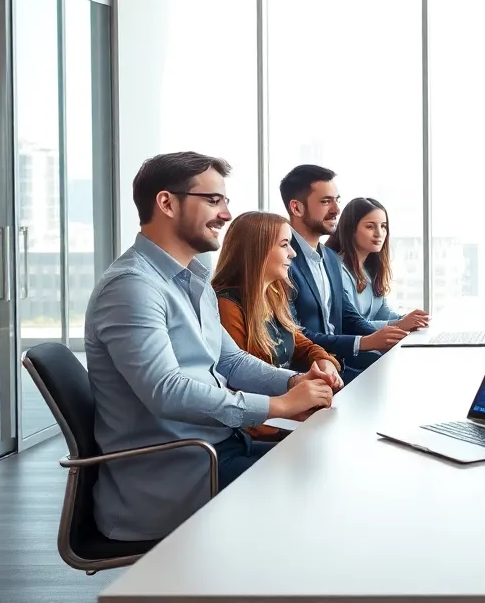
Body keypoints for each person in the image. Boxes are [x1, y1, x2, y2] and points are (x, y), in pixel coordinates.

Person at [85, 152, 340, 542]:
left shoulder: (193, 279)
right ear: (167, 203)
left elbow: (230, 360)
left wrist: (295, 382)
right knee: (325, 499)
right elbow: (165, 392)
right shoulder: (132, 287)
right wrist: (278, 407)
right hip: (177, 478)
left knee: (331, 467)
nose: (225, 214)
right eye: (213, 200)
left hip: (215, 451)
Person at [212, 211, 346, 441]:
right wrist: (292, 414)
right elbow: (235, 382)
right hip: (260, 427)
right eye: (285, 245)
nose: (292, 253)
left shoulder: (274, 294)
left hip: (285, 416)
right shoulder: (226, 305)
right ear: (258, 251)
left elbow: (302, 343)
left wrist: (326, 364)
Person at [280, 165, 405, 384]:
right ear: (297, 208)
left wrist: (388, 339)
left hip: (340, 366)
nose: (337, 209)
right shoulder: (282, 259)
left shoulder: (329, 257)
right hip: (308, 375)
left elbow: (348, 317)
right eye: (326, 201)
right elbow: (294, 334)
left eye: (337, 200)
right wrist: (363, 343)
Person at [327, 197, 430, 330]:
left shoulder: (369, 269)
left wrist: (408, 319)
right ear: (351, 230)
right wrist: (399, 324)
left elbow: (382, 312)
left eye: (383, 226)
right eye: (370, 226)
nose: (379, 233)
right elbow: (352, 325)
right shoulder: (337, 270)